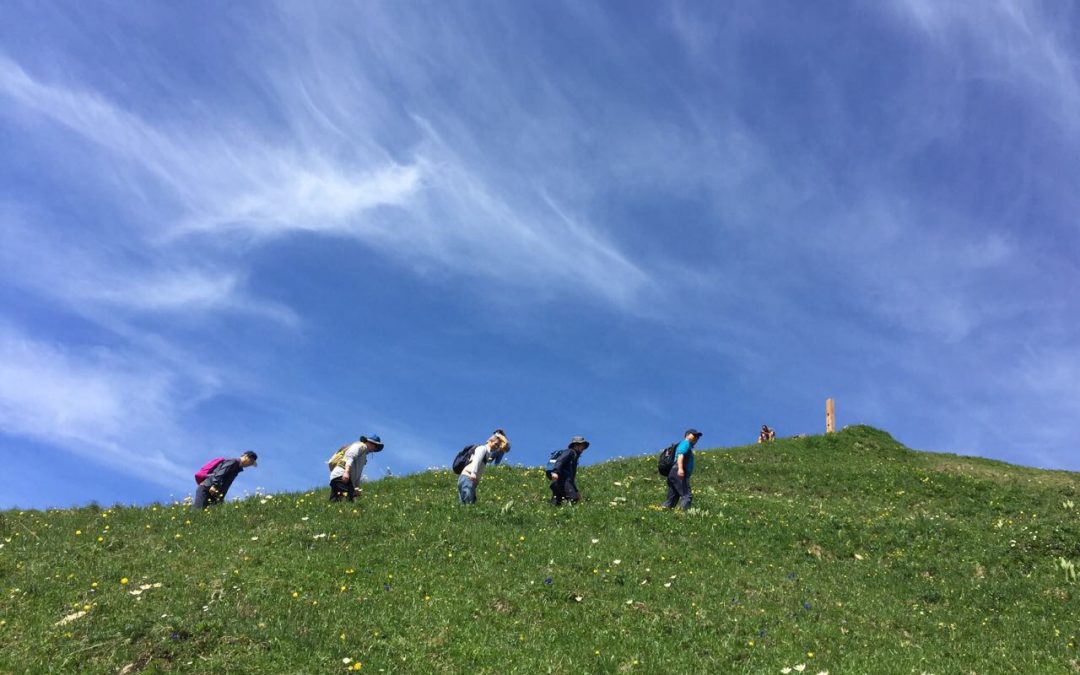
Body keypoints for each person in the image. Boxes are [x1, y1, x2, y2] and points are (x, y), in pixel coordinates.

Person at [458, 430, 509, 505]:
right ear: (490, 441)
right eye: (495, 444)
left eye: (498, 446)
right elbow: (476, 460)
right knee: (468, 503)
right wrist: (473, 473)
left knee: (467, 503)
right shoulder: (482, 448)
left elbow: (506, 445)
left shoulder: (487, 453)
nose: (496, 447)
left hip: (469, 479)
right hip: (468, 477)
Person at [193, 451, 258, 510]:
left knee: (209, 515)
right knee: (198, 511)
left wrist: (221, 497)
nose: (250, 464)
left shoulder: (237, 468)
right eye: (251, 461)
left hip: (215, 493)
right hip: (208, 488)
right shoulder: (233, 462)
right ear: (246, 456)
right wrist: (214, 486)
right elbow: (220, 473)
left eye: (252, 463)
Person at [329, 434, 384, 502]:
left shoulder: (363, 456)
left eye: (377, 447)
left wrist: (357, 488)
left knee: (336, 501)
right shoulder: (359, 446)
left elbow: (358, 474)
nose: (375, 449)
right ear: (369, 442)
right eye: (375, 446)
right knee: (349, 500)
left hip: (342, 477)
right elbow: (350, 457)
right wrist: (346, 472)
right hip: (341, 475)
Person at [662, 429, 701, 511]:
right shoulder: (685, 443)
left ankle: (663, 511)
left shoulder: (686, 445)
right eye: (694, 435)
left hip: (673, 473)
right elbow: (680, 455)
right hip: (678, 471)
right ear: (687, 435)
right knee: (687, 495)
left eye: (697, 437)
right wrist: (680, 469)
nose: (696, 438)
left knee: (672, 498)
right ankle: (683, 514)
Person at [549, 435, 589, 505]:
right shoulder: (570, 452)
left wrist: (576, 490)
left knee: (556, 503)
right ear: (576, 445)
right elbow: (560, 460)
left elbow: (571, 478)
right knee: (574, 498)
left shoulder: (574, 458)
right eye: (582, 446)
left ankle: (551, 514)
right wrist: (555, 472)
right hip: (562, 481)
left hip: (559, 482)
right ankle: (571, 514)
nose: (583, 449)